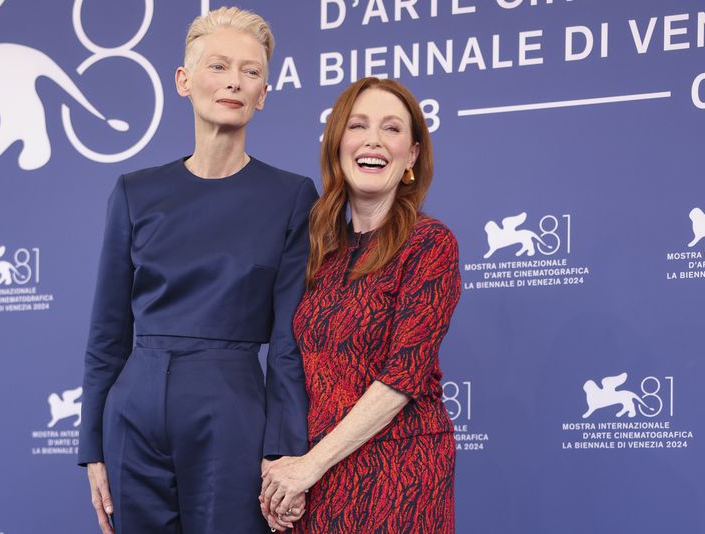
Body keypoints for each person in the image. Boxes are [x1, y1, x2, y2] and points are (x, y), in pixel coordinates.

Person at [78, 7, 316, 534]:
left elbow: (287, 341)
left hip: (232, 409)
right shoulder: (135, 192)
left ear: (264, 93)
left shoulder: (292, 197)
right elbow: (107, 333)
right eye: (219, 66)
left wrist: (284, 449)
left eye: (251, 72)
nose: (234, 81)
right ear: (184, 82)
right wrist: (93, 445)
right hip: (132, 412)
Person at [260, 77, 461, 533]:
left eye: (392, 129)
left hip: (399, 476)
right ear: (337, 146)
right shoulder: (316, 254)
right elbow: (288, 364)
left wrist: (308, 466)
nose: (373, 140)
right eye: (358, 125)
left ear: (411, 155)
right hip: (313, 483)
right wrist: (281, 470)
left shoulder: (429, 245)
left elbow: (403, 374)